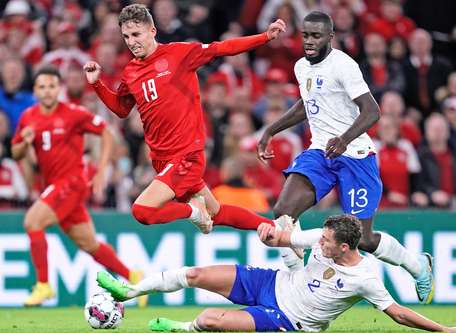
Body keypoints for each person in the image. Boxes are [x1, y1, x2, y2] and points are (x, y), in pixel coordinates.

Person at [256, 11, 434, 304]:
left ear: (329, 37)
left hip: (355, 156)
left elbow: (372, 110)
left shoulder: (343, 65)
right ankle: (295, 282)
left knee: (360, 239)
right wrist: (270, 131)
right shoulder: (302, 67)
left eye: (316, 36)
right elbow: (307, 104)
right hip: (321, 152)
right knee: (283, 212)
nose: (309, 42)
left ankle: (417, 265)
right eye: (305, 35)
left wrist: (345, 139)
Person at [83, 4, 289, 236]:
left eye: (136, 34)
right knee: (216, 213)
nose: (131, 41)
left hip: (186, 157)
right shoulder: (131, 71)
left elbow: (223, 48)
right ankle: (279, 229)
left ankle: (192, 211)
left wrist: (264, 36)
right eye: (126, 36)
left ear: (152, 31)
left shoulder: (179, 54)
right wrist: (97, 83)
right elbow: (121, 109)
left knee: (142, 211)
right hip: (162, 160)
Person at [95, 215, 456, 333]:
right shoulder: (322, 241)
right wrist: (275, 233)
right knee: (193, 274)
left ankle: (180, 329)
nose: (318, 243)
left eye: (325, 241)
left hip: (287, 318)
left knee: (209, 320)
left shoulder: (366, 277)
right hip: (271, 283)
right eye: (320, 237)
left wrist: (445, 330)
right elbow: (287, 241)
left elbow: (399, 313)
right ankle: (128, 292)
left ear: (344, 247)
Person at [11, 66, 144, 307]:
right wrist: (24, 143)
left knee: (32, 221)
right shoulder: (28, 117)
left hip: (71, 183)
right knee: (89, 244)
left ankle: (43, 285)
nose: (48, 91)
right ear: (35, 90)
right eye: (42, 87)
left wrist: (102, 169)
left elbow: (106, 132)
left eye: (52, 86)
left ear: (59, 88)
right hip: (54, 186)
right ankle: (134, 277)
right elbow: (15, 151)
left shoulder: (73, 113)